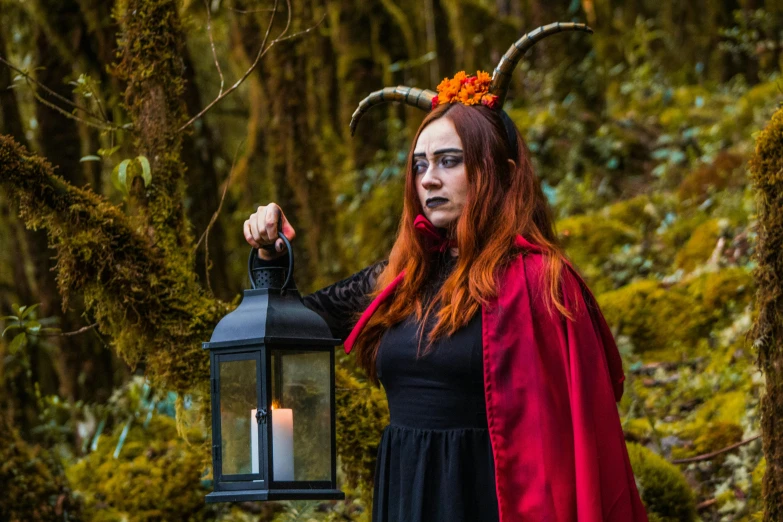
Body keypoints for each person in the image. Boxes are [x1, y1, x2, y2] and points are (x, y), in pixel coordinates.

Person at [243, 22, 648, 522]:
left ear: (494, 170)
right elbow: (294, 328)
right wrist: (271, 256)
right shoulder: (400, 278)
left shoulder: (541, 281)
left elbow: (583, 435)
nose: (428, 178)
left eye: (448, 161)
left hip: (491, 496)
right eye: (419, 165)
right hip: (407, 489)